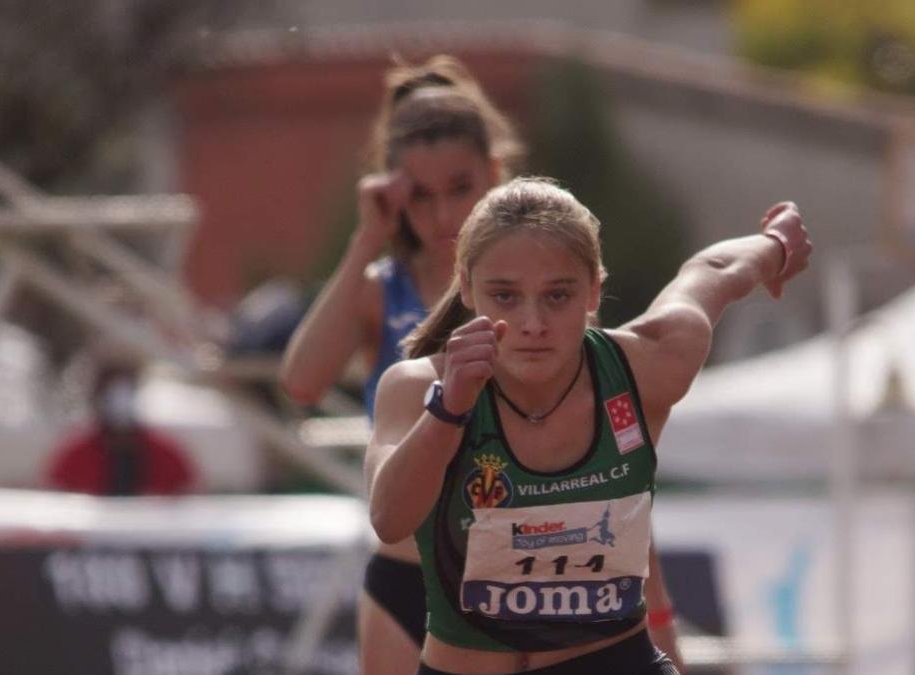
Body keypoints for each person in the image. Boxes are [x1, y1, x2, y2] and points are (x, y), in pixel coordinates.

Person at [279, 58, 683, 674]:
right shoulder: (378, 290)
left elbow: (607, 470)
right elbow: (301, 382)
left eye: (460, 189)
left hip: (535, 585)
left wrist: (656, 616)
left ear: (494, 175)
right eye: (419, 194)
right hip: (410, 580)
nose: (442, 216)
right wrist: (366, 237)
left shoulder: (548, 302)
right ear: (391, 191)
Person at [367, 178, 811, 674]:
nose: (533, 323)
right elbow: (388, 518)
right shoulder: (416, 389)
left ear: (595, 288)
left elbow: (715, 271)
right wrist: (448, 411)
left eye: (557, 296)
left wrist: (776, 244)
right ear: (467, 287)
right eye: (505, 296)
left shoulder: (647, 365)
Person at [47, 358, 194, 496]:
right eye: (111, 396)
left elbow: (184, 493)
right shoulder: (77, 455)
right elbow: (60, 496)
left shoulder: (164, 452)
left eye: (125, 394)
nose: (119, 404)